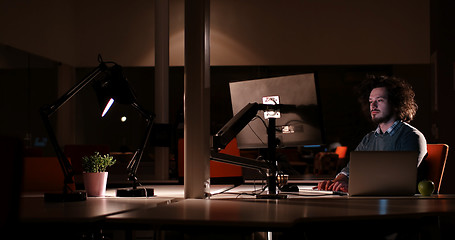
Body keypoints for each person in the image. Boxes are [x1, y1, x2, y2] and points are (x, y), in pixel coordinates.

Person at [316, 75, 427, 192]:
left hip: (399, 205)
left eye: (379, 100)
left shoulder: (411, 136)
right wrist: (338, 182)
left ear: (396, 103)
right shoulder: (369, 139)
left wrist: (354, 186)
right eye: (371, 101)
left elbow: (399, 180)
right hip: (373, 202)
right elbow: (350, 169)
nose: (373, 106)